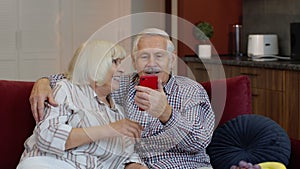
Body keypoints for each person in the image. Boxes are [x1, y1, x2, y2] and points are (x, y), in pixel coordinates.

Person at [29, 28, 215, 169]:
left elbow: (199, 142)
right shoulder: (121, 85)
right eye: (143, 57)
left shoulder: (190, 90)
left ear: (172, 60)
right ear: (134, 61)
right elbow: (83, 77)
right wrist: (43, 82)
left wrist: (166, 113)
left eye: (159, 56)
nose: (151, 64)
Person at [18, 40, 147, 169]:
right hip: (51, 163)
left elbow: (126, 158)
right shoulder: (67, 89)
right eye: (115, 62)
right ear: (95, 65)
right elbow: (47, 135)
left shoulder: (117, 112)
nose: (122, 70)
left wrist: (137, 166)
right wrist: (110, 129)